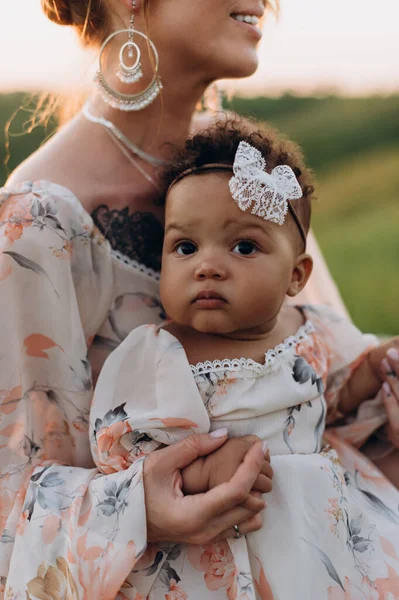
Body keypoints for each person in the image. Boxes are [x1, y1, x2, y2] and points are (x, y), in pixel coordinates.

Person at [0, 1, 277, 597]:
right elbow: (11, 509)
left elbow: (317, 353)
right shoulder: (37, 226)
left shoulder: (244, 174)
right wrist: (135, 509)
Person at [92, 118, 399, 599]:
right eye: (185, 247)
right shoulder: (160, 353)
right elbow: (121, 449)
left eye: (243, 246)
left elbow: (335, 393)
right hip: (217, 548)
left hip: (322, 534)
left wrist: (379, 364)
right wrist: (202, 473)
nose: (207, 265)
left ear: (295, 276)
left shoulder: (312, 331)